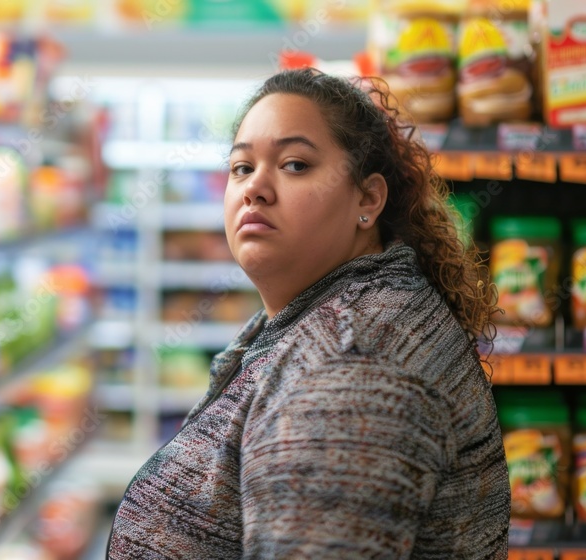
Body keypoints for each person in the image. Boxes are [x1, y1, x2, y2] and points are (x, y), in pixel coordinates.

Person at [107, 68, 510, 559]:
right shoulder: (334, 317)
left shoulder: (352, 364)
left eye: (295, 164)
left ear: (368, 198)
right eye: (241, 167)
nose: (255, 187)